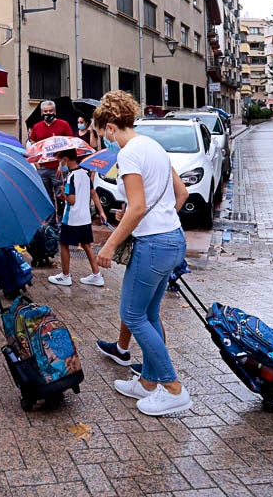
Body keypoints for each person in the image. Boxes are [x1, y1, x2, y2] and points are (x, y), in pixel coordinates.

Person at [92, 90, 193, 416]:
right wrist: (151, 217)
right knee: (148, 314)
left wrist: (108, 244)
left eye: (100, 133)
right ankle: (149, 381)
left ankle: (173, 388)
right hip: (172, 239)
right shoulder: (154, 146)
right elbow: (181, 193)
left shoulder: (130, 154)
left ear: (109, 127)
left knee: (133, 315)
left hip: (153, 246)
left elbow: (136, 206)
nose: (102, 140)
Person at [48, 149, 104, 287]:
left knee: (64, 244)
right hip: (85, 218)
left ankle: (65, 276)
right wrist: (101, 212)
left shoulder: (70, 177)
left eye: (60, 160)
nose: (60, 164)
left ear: (66, 159)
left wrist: (63, 192)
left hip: (72, 218)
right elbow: (93, 194)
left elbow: (71, 200)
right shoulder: (85, 173)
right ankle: (97, 275)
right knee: (86, 245)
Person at [28, 100, 74, 213]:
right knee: (46, 197)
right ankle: (51, 224)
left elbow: (70, 144)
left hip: (59, 167)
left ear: (55, 112)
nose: (48, 113)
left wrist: (62, 164)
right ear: (41, 113)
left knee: (61, 196)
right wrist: (37, 163)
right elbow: (33, 145)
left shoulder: (64, 125)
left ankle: (62, 223)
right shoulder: (37, 127)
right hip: (43, 168)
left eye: (50, 111)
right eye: (45, 111)